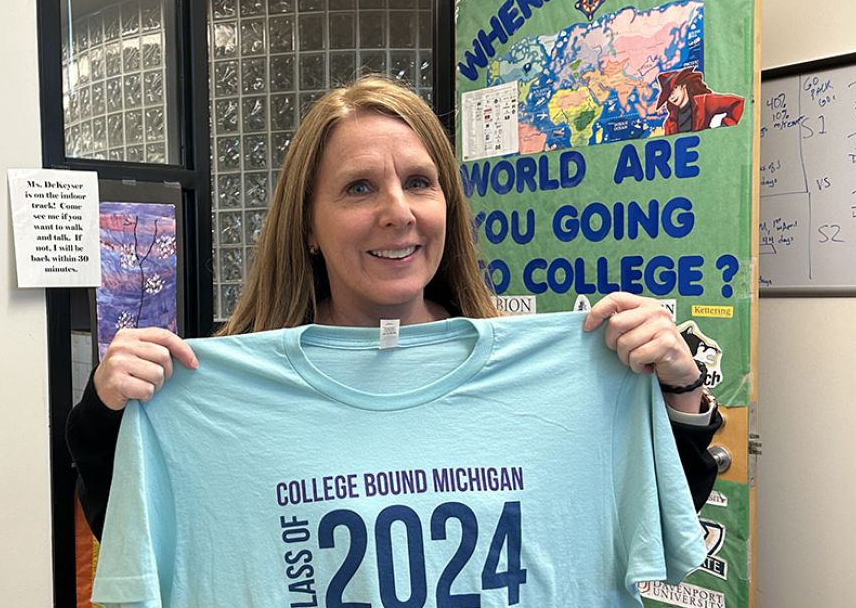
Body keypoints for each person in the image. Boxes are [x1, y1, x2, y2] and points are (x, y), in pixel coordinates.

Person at [69, 76, 721, 538]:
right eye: (359, 188)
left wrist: (680, 388)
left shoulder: (532, 381)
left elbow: (658, 522)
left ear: (448, 207)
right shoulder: (231, 392)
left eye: (418, 182)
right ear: (307, 225)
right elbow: (132, 535)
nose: (398, 212)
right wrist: (104, 415)